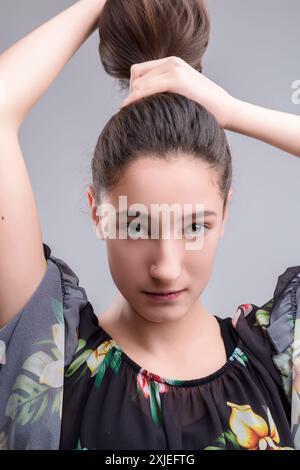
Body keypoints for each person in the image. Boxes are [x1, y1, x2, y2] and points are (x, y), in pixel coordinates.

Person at [0, 0, 299, 451]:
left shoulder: (278, 360)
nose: (166, 266)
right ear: (98, 213)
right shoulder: (50, 357)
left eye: (195, 226)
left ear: (225, 215)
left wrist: (234, 112)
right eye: (137, 226)